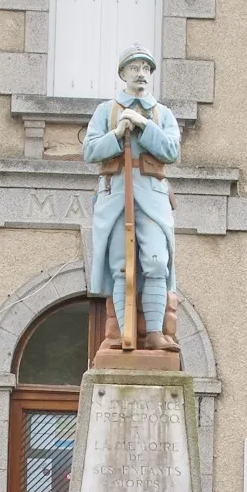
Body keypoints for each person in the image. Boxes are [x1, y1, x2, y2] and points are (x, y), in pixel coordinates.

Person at [83, 47, 180, 351]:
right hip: (115, 196)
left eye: (146, 68)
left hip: (151, 196)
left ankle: (154, 332)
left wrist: (143, 125)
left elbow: (171, 151)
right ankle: (122, 334)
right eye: (134, 68)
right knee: (120, 267)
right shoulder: (106, 111)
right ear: (123, 74)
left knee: (156, 262)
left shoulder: (162, 114)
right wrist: (117, 133)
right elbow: (90, 151)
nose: (141, 74)